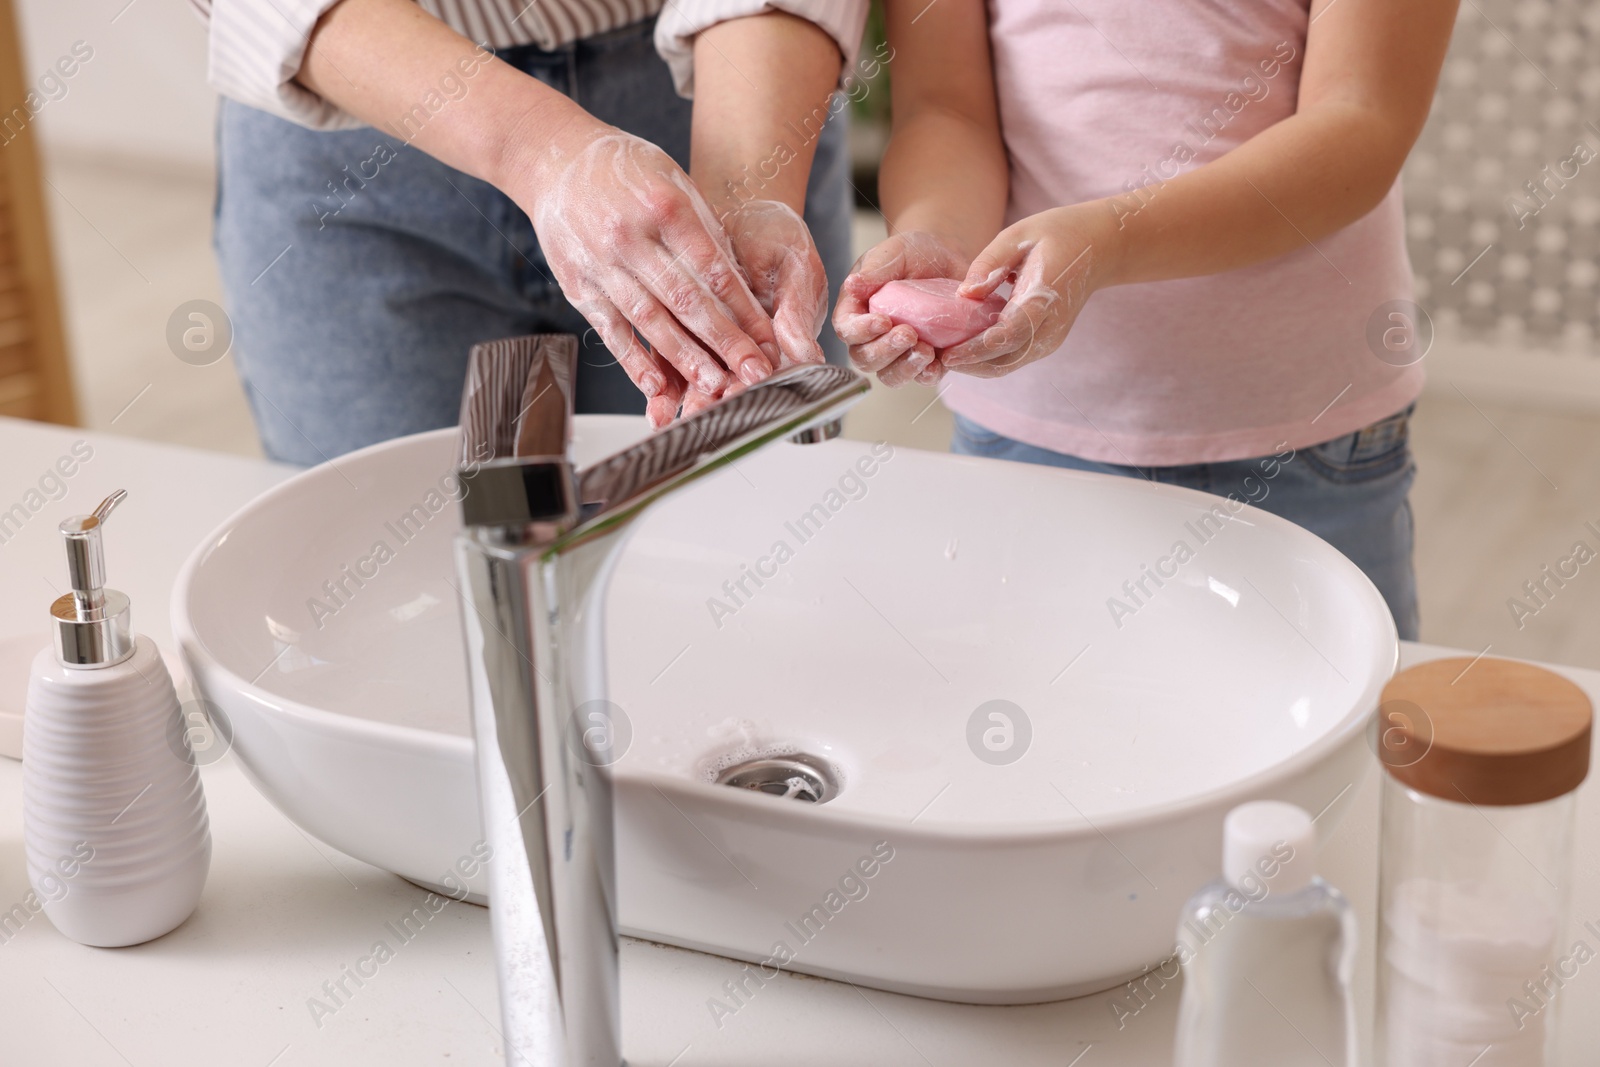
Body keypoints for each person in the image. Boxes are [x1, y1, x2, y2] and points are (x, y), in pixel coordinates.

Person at [833, 0, 1459, 639]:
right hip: (1029, 429)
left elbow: (1360, 122)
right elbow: (944, 108)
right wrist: (937, 239)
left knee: (1333, 722)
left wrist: (1112, 241)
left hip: (1300, 436)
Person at [197, 0, 864, 463]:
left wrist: (744, 197)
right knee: (386, 587)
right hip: (359, 112)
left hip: (725, 94)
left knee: (734, 576)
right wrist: (536, 149)